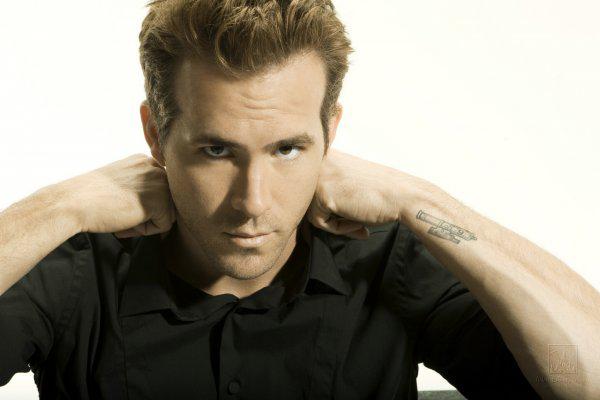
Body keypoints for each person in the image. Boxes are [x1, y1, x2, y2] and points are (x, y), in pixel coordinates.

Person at [1, 1, 598, 399]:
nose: (252, 202)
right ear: (156, 135)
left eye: (287, 149)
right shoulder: (76, 268)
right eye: (216, 150)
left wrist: (420, 199)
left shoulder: (386, 259)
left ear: (330, 134)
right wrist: (57, 208)